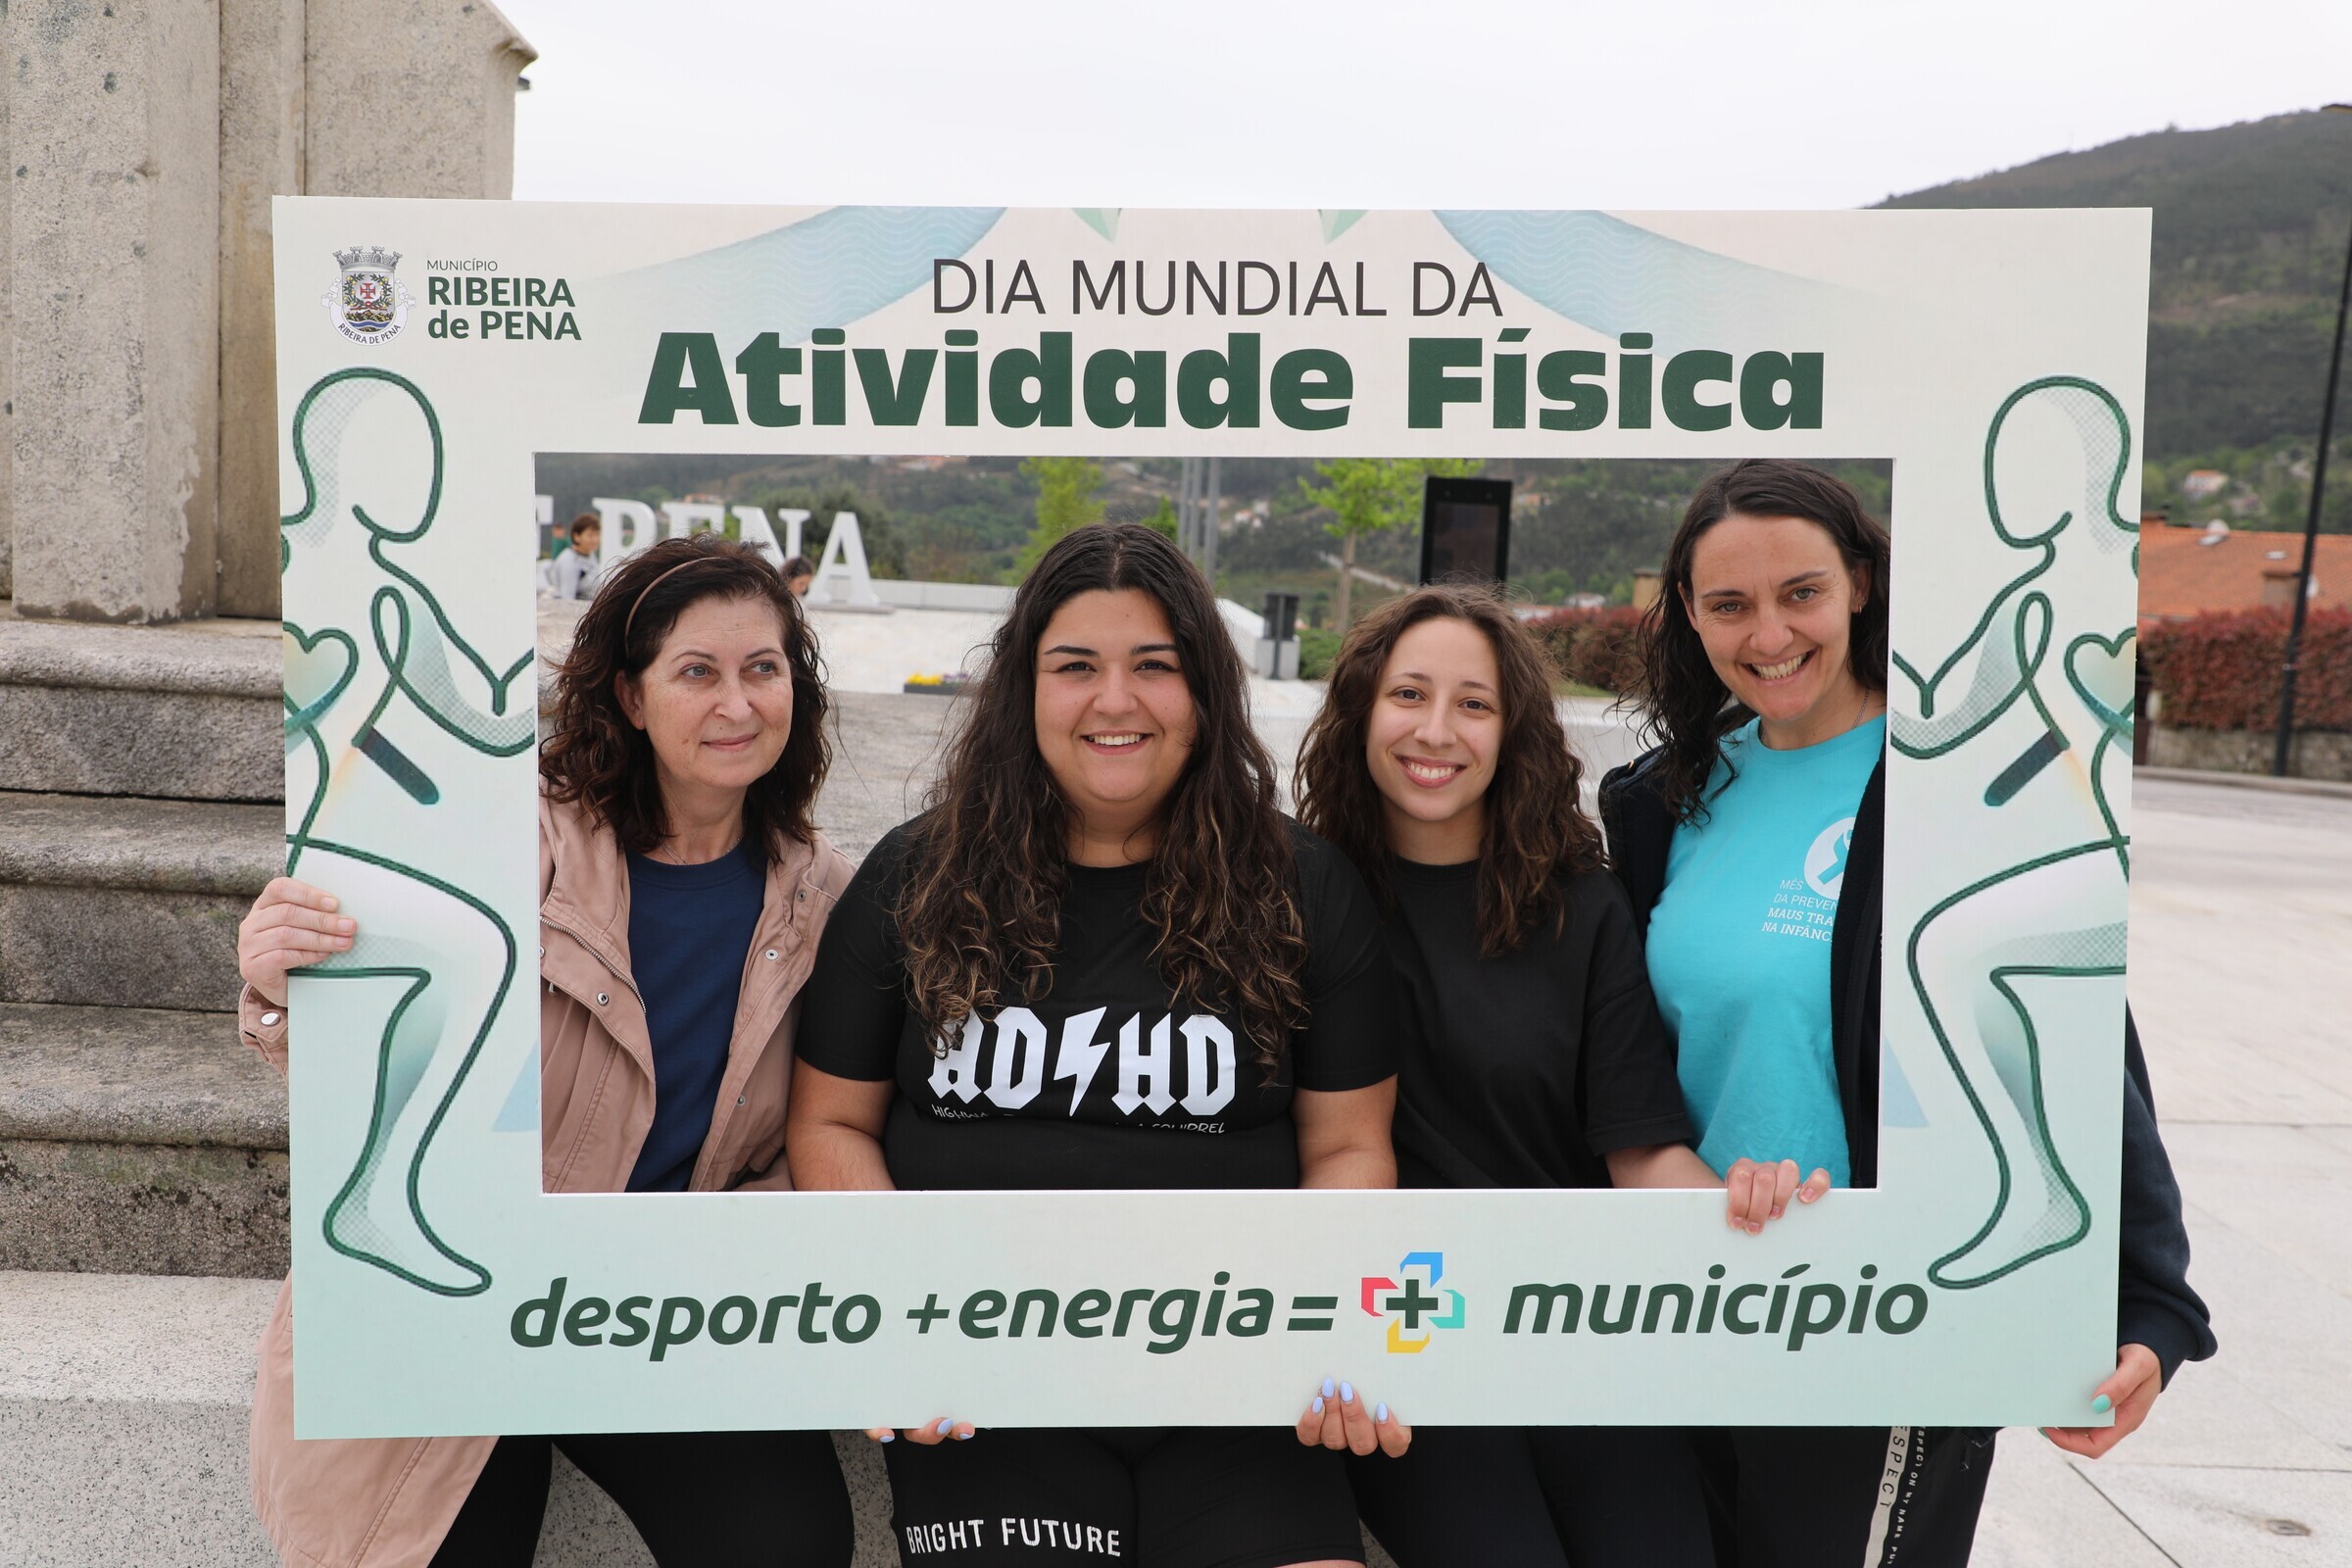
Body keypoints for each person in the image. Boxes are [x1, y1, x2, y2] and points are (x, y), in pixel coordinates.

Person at [1597, 459, 2215, 1566]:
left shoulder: (1966, 784)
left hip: (1890, 1308)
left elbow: (2068, 1033)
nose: (1769, 634)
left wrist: (2149, 1304)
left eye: (1802, 592)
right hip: (1697, 1302)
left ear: (1862, 583)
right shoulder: (1660, 798)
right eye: (1730, 604)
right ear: (1687, 611)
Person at [787, 520, 1403, 1568]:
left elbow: (1349, 1147)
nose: (1115, 700)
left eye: (1154, 666)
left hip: (1237, 1393)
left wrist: (1327, 1330)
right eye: (1076, 666)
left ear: (1205, 691)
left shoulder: (1302, 886)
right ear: (1023, 690)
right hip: (984, 1390)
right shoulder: (916, 877)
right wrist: (903, 1316)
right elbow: (831, 1122)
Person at [233, 534, 857, 1568]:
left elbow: (814, 1133)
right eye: (697, 672)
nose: (738, 704)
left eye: (763, 668)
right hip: (462, 1296)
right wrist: (281, 979)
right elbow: (375, 1069)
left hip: (660, 1312)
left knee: (786, 1542)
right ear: (631, 696)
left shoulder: (824, 893)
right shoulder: (501, 840)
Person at [1293, 583, 1759, 1568]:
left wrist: (1764, 1229)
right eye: (1408, 694)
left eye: (1474, 703)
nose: (1436, 730)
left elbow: (1639, 1148)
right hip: (1405, 1337)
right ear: (1361, 712)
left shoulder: (1581, 908)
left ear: (1513, 733)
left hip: (1572, 1326)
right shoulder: (1301, 901)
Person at [552, 512, 603, 599]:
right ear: (577, 536)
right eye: (590, 535)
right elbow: (567, 598)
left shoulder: (590, 554)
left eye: (597, 534)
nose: (595, 539)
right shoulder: (569, 561)